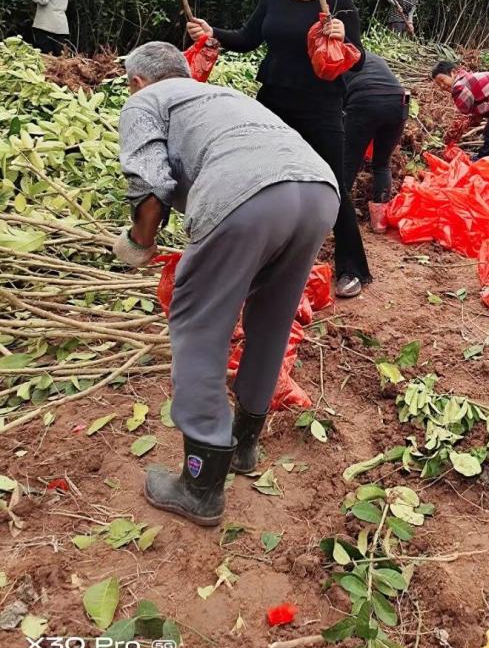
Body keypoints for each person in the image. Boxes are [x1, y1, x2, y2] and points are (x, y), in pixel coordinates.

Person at [114, 41, 339, 526]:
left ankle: (200, 485)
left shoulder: (144, 101)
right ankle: (244, 446)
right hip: (318, 191)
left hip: (246, 196)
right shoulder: (219, 96)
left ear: (137, 81)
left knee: (199, 329)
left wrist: (140, 242)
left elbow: (150, 183)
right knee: (271, 319)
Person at [187, 0, 371, 298]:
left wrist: (340, 34)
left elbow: (359, 59)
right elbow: (247, 38)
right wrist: (212, 33)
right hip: (273, 101)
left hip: (320, 105)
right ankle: (263, 259)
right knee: (262, 178)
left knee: (333, 184)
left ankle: (351, 267)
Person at [343, 52, 410, 231]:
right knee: (382, 163)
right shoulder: (373, 58)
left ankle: (336, 217)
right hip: (400, 100)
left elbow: (334, 103)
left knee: (349, 163)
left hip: (365, 99)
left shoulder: (335, 58)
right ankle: (379, 222)